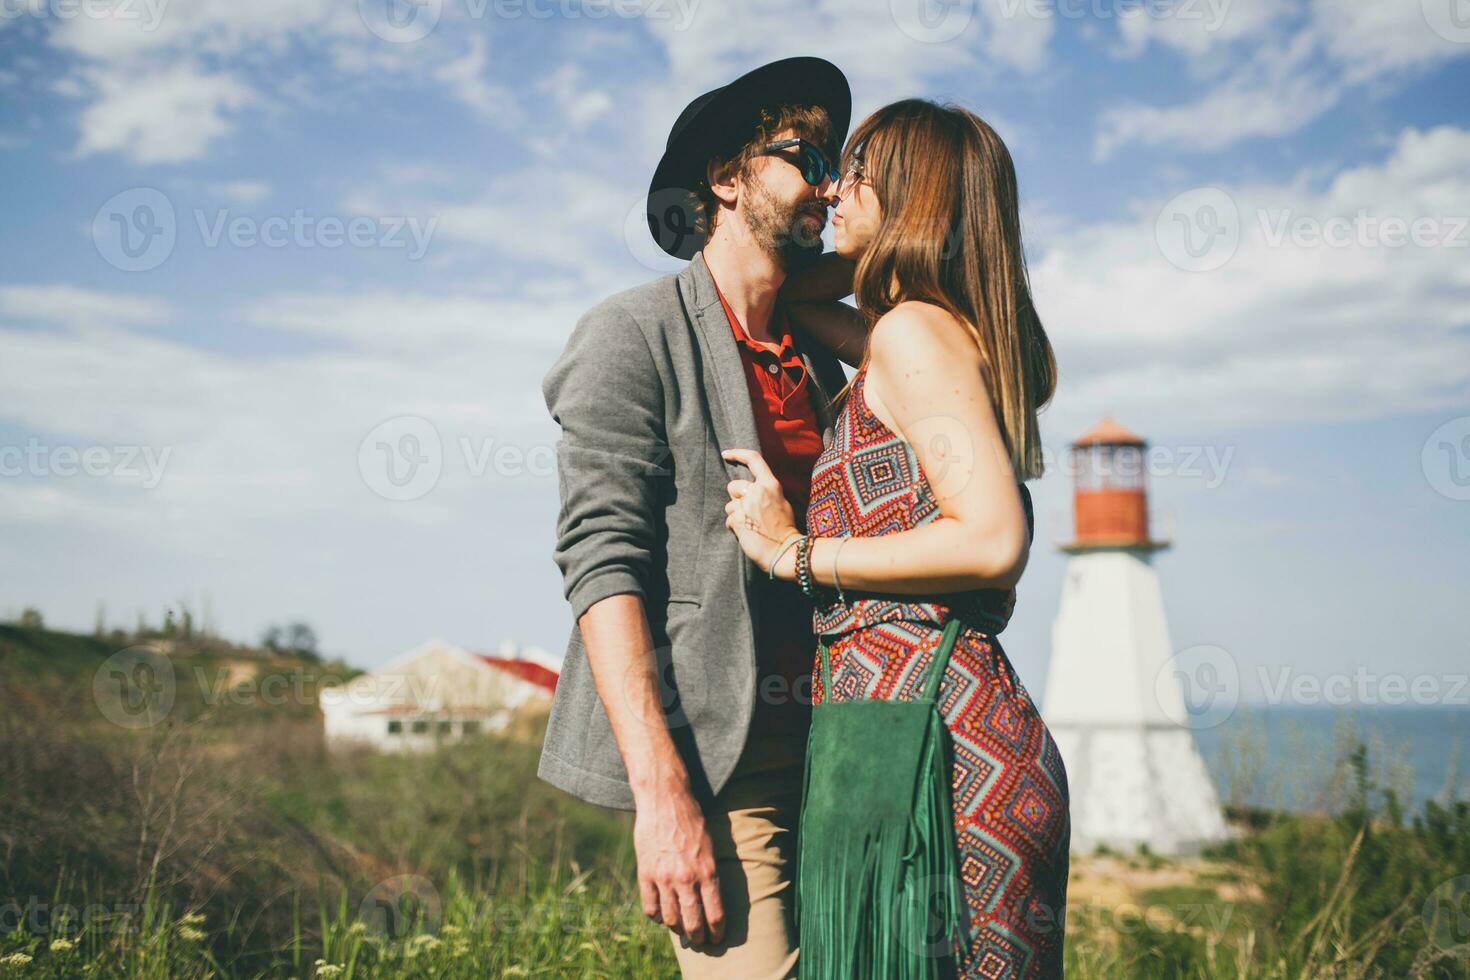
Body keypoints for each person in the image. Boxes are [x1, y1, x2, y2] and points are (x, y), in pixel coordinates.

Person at [722, 98, 1071, 977]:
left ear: (912, 196)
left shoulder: (916, 335)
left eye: (860, 171)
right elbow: (787, 293)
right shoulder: (913, 336)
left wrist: (793, 552)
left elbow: (991, 539)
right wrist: (861, 241)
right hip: (903, 726)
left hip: (939, 746)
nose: (835, 186)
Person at [538, 57, 852, 978]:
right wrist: (663, 794)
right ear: (726, 177)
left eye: (836, 164)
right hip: (722, 760)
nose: (829, 185)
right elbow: (603, 563)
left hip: (840, 749)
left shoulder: (823, 360)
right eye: (806, 157)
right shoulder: (630, 333)